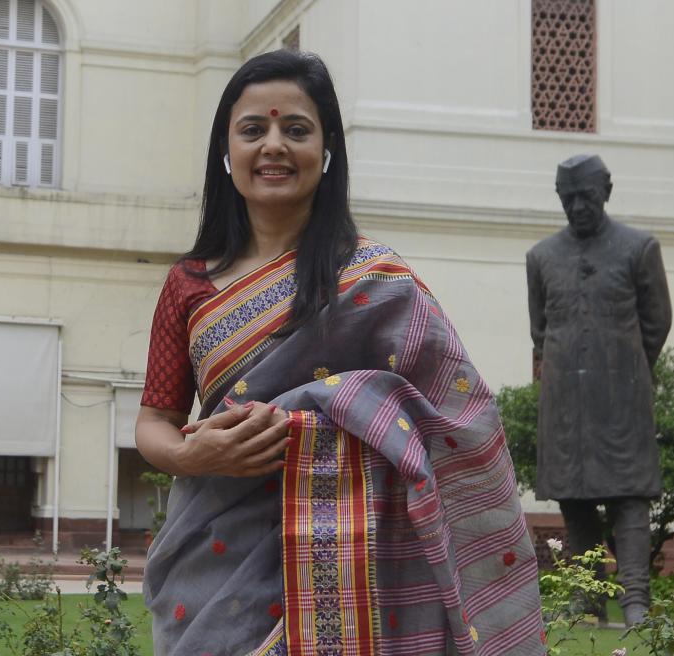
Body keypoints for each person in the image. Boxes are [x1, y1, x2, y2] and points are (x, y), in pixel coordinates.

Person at [136, 49, 543, 655]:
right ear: (227, 154)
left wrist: (348, 422)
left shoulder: (375, 279)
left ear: (326, 154)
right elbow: (155, 420)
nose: (273, 144)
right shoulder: (189, 284)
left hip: (358, 549)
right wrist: (195, 457)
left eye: (295, 130)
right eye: (253, 130)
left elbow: (460, 418)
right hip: (215, 548)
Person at [526, 154, 672, 627]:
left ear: (606, 191)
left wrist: (625, 365)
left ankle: (636, 600)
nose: (577, 206)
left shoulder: (638, 248)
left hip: (623, 396)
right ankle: (588, 599)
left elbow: (657, 320)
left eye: (586, 196)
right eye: (568, 198)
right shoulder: (541, 257)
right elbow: (540, 330)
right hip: (565, 400)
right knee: (575, 500)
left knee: (629, 497)